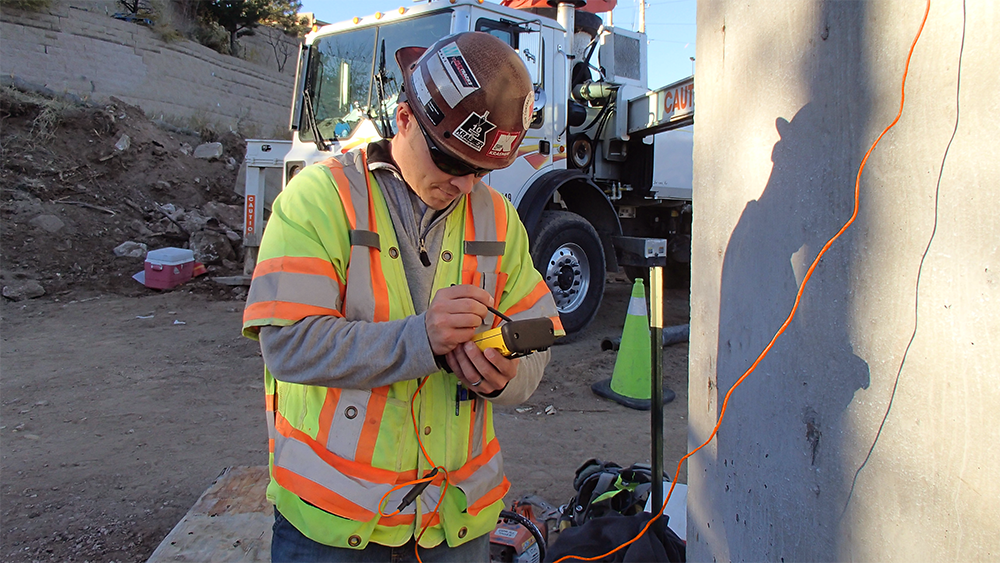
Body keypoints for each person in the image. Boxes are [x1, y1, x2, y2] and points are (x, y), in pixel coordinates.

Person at [242, 31, 564, 562]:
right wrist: (420, 339)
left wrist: (505, 379)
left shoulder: (498, 219)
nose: (465, 184)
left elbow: (538, 339)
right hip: (334, 524)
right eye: (451, 162)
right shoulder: (321, 200)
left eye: (482, 170)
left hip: (455, 521)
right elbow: (286, 345)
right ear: (405, 119)